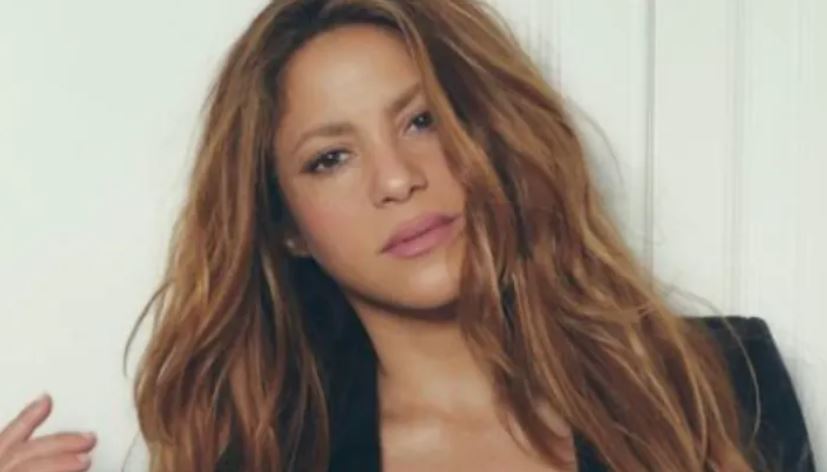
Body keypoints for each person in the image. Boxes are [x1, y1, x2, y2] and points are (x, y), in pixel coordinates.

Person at [0, 0, 815, 471]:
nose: (395, 179)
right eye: (329, 158)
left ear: (490, 134)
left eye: (421, 120)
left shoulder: (717, 383)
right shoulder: (264, 458)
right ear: (286, 228)